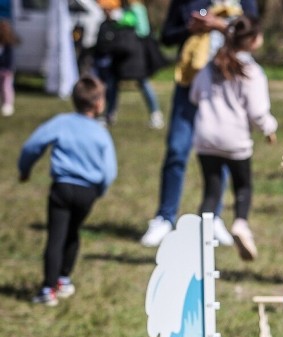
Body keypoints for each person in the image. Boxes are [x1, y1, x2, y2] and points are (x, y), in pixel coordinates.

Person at [138, 0, 258, 248]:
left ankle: (213, 218)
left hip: (227, 83)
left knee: (222, 152)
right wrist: (191, 28)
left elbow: (253, 31)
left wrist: (220, 25)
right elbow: (167, 36)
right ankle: (164, 217)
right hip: (190, 83)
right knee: (176, 150)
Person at [17, 76, 117, 306]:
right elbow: (109, 170)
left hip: (62, 188)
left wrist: (25, 169)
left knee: (56, 236)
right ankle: (63, 279)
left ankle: (47, 289)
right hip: (87, 192)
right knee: (73, 232)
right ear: (99, 104)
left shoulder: (61, 122)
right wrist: (99, 191)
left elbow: (33, 145)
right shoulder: (101, 132)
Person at [190, 16, 277, 261]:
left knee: (211, 191)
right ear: (252, 40)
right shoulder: (252, 71)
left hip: (205, 137)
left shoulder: (211, 65)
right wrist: (269, 129)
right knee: (243, 186)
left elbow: (195, 95)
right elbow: (258, 111)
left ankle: (201, 240)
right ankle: (240, 222)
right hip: (235, 140)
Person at [95, 0, 164, 128]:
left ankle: (156, 114)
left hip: (135, 54)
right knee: (113, 84)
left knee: (142, 82)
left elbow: (143, 31)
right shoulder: (123, 8)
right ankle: (110, 114)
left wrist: (124, 21)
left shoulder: (136, 8)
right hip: (120, 55)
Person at [0, 13, 15, 117]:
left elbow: (9, 59)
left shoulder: (8, 45)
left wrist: (8, 68)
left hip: (5, 70)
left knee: (6, 87)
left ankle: (8, 104)